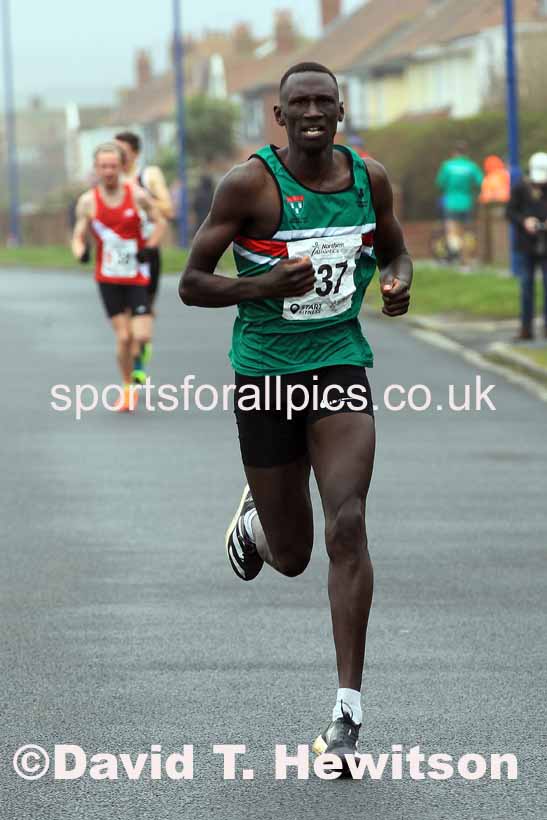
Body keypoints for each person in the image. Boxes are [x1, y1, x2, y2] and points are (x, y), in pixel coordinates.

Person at [179, 62, 412, 774]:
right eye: (297, 103)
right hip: (264, 376)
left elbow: (392, 246)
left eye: (323, 101)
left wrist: (399, 280)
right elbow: (191, 282)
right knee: (291, 557)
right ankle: (257, 519)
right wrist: (263, 284)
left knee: (347, 524)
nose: (312, 111)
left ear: (340, 109)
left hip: (340, 365)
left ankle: (346, 711)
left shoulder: (368, 179)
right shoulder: (248, 185)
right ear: (277, 117)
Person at [71, 142, 165, 411]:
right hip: (108, 278)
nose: (109, 171)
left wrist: (150, 246)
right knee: (124, 337)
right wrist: (80, 252)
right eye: (103, 166)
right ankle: (127, 388)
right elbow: (78, 235)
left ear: (120, 166)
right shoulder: (88, 201)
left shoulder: (136, 195)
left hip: (135, 275)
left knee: (143, 335)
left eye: (113, 166)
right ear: (96, 168)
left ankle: (138, 359)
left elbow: (159, 220)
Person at [115, 131, 174, 383]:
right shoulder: (109, 178)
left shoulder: (149, 175)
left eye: (122, 151)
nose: (117, 156)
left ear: (135, 153)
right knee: (125, 320)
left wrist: (140, 197)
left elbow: (168, 209)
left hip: (147, 252)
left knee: (143, 312)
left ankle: (140, 354)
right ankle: (131, 365)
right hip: (119, 256)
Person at [506, 152, 547, 341]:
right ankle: (526, 328)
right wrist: (524, 221)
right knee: (526, 287)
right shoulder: (520, 188)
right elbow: (510, 212)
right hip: (526, 245)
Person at [436, 142, 483, 266]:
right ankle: (465, 261)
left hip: (451, 202)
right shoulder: (471, 166)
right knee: (465, 233)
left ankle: (454, 252)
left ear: (454, 153)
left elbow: (440, 183)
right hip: (467, 202)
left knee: (452, 231)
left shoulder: (447, 166)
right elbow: (480, 182)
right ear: (466, 153)